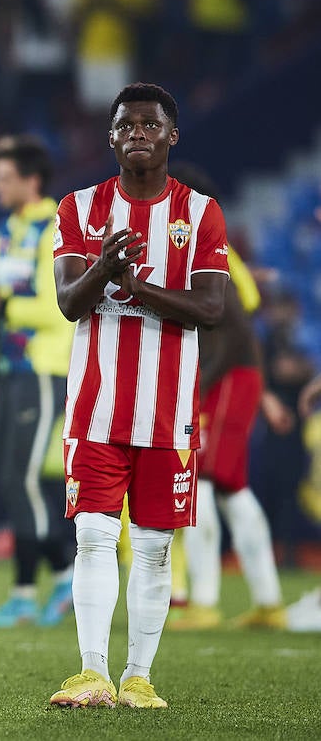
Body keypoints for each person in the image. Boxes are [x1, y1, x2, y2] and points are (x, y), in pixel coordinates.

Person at [48, 83, 229, 709]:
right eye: (125, 126)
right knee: (94, 536)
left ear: (172, 136)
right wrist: (104, 270)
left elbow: (211, 307)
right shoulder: (78, 208)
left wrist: (136, 288)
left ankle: (138, 677)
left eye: (150, 125)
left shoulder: (201, 213)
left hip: (170, 409)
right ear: (111, 137)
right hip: (96, 406)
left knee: (153, 546)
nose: (137, 134)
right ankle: (92, 671)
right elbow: (70, 303)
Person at [0, 138, 76, 627]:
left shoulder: (59, 229)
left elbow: (57, 307)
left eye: (4, 178)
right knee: (12, 480)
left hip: (45, 368)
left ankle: (36, 588)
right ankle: (54, 581)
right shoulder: (3, 231)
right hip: (8, 369)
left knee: (22, 478)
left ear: (32, 181)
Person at [167, 165, 290, 631]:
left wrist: (198, 389)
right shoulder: (221, 253)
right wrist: (263, 393)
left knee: (198, 481)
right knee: (231, 486)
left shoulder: (206, 248)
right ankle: (268, 600)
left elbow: (230, 327)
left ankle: (204, 600)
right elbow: (242, 324)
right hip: (237, 378)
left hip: (225, 378)